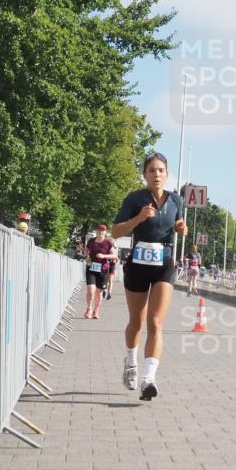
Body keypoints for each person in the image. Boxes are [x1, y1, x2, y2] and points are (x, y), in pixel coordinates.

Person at [111, 152, 186, 401]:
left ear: (167, 174)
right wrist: (139, 218)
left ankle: (149, 378)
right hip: (138, 265)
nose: (157, 174)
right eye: (152, 170)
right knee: (137, 322)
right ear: (144, 174)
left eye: (161, 170)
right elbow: (115, 230)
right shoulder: (135, 199)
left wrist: (180, 228)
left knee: (156, 323)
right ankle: (131, 363)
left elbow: (178, 222)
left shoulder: (175, 199)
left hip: (164, 263)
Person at [83, 224, 116, 319]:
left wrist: (104, 256)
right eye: (99, 231)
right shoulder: (91, 241)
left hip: (103, 270)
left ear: (105, 232)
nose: (100, 232)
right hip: (91, 268)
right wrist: (87, 256)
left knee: (99, 292)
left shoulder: (108, 243)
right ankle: (89, 309)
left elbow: (114, 256)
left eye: (102, 231)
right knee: (91, 289)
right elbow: (86, 250)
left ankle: (96, 310)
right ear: (96, 232)